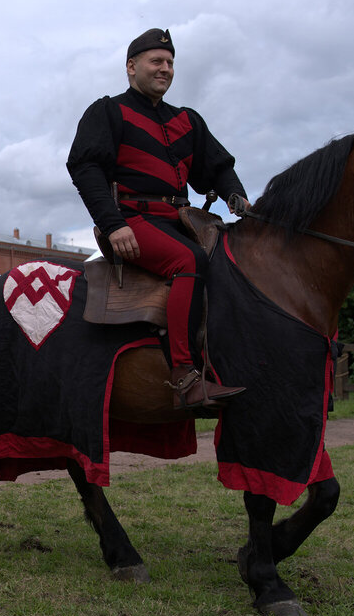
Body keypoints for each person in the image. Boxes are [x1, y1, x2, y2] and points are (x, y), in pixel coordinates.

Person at [67, 27, 248, 410]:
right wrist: (114, 224)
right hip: (133, 219)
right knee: (189, 261)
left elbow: (217, 166)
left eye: (170, 63)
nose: (165, 68)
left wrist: (236, 193)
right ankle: (184, 375)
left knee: (238, 261)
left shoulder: (188, 120)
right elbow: (85, 168)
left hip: (182, 221)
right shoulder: (109, 111)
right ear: (132, 67)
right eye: (156, 61)